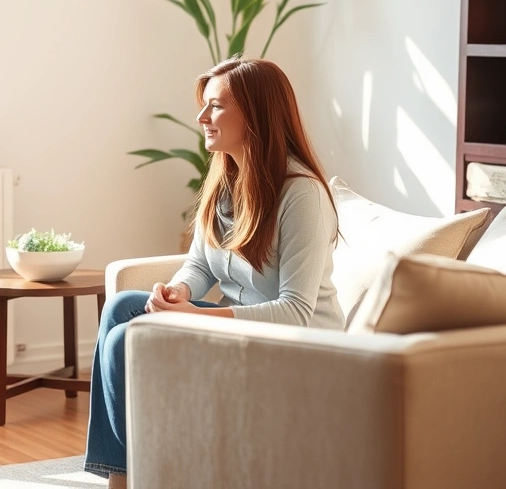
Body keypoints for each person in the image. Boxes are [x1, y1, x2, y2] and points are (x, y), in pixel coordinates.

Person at [84, 57, 344, 488]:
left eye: (216, 106)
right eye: (204, 105)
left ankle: (140, 478)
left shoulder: (302, 195)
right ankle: (123, 478)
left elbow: (296, 312)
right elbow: (202, 263)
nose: (202, 117)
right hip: (243, 333)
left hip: (300, 349)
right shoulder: (226, 180)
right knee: (122, 307)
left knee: (122, 340)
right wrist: (178, 291)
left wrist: (197, 318)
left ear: (256, 115)